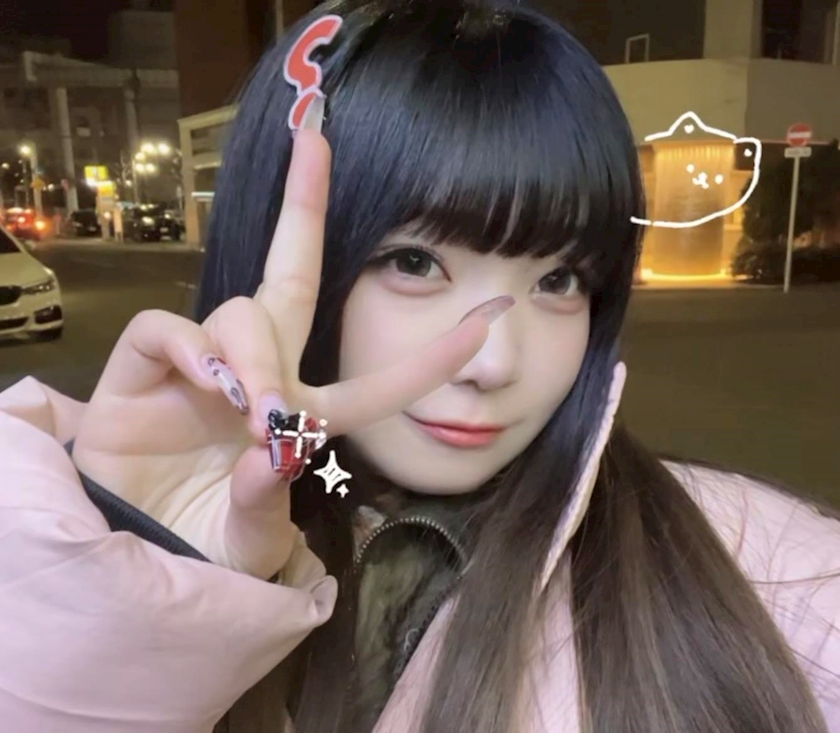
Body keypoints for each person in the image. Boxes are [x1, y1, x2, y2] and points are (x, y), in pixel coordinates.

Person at [1, 1, 838, 732]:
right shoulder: (44, 534)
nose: (494, 363)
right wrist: (135, 584)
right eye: (414, 262)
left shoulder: (777, 574)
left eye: (558, 280)